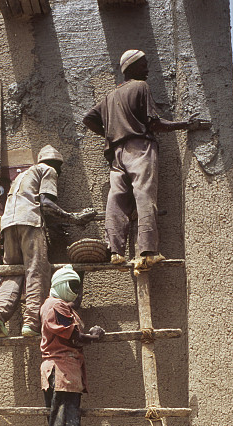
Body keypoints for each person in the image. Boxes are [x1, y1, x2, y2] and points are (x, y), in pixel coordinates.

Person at [83, 49, 210, 268]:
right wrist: (186, 124)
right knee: (144, 196)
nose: (147, 69)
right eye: (143, 64)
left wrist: (110, 133)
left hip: (116, 154)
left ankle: (115, 251)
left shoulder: (109, 97)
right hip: (139, 148)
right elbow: (155, 124)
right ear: (130, 67)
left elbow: (88, 119)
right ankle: (149, 251)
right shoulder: (141, 87)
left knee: (116, 200)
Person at [0, 146, 95, 338]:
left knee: (13, 273)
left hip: (8, 225)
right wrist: (74, 218)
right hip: (29, 222)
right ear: (56, 164)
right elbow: (46, 205)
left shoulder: (21, 176)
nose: (60, 173)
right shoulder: (48, 170)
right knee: (36, 270)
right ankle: (31, 323)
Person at [40, 265, 105, 426]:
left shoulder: (62, 305)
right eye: (72, 286)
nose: (75, 292)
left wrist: (81, 274)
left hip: (68, 374)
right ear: (59, 286)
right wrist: (94, 336)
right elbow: (74, 336)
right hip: (61, 373)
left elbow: (73, 307)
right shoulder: (55, 305)